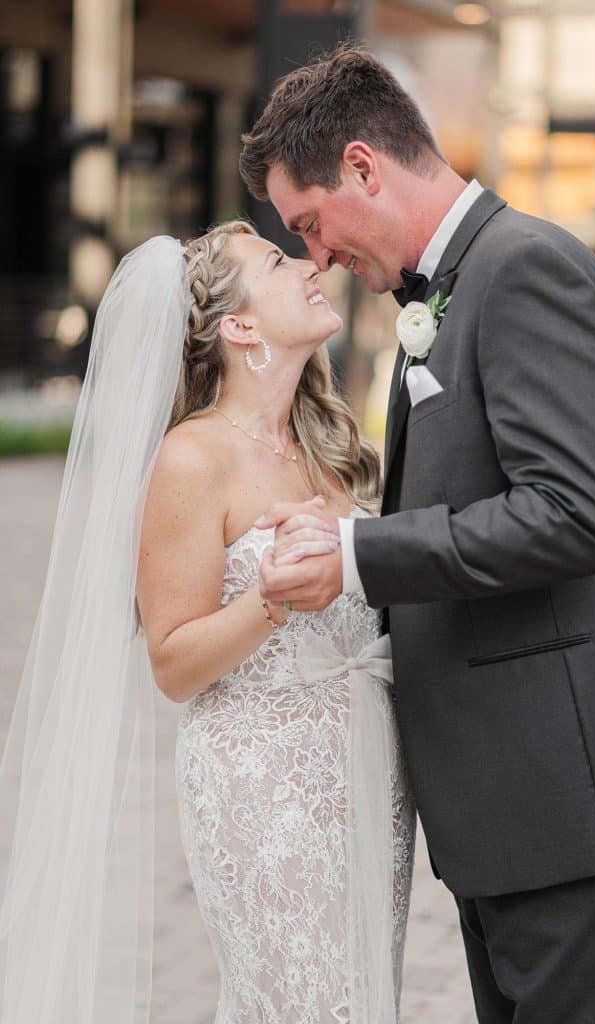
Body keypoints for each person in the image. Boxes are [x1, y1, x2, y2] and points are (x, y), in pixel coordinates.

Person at [241, 44, 595, 1023]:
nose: (317, 257)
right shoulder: (454, 285)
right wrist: (358, 529)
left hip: (574, 806)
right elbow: (485, 497)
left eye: (309, 224)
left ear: (362, 166)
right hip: (515, 812)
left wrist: (358, 556)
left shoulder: (523, 271)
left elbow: (575, 513)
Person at [0, 221, 415, 1024]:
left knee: (365, 996)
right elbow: (173, 663)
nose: (308, 267)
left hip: (367, 771)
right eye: (277, 261)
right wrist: (269, 599)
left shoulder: (325, 444)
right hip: (260, 783)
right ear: (239, 327)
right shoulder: (191, 459)